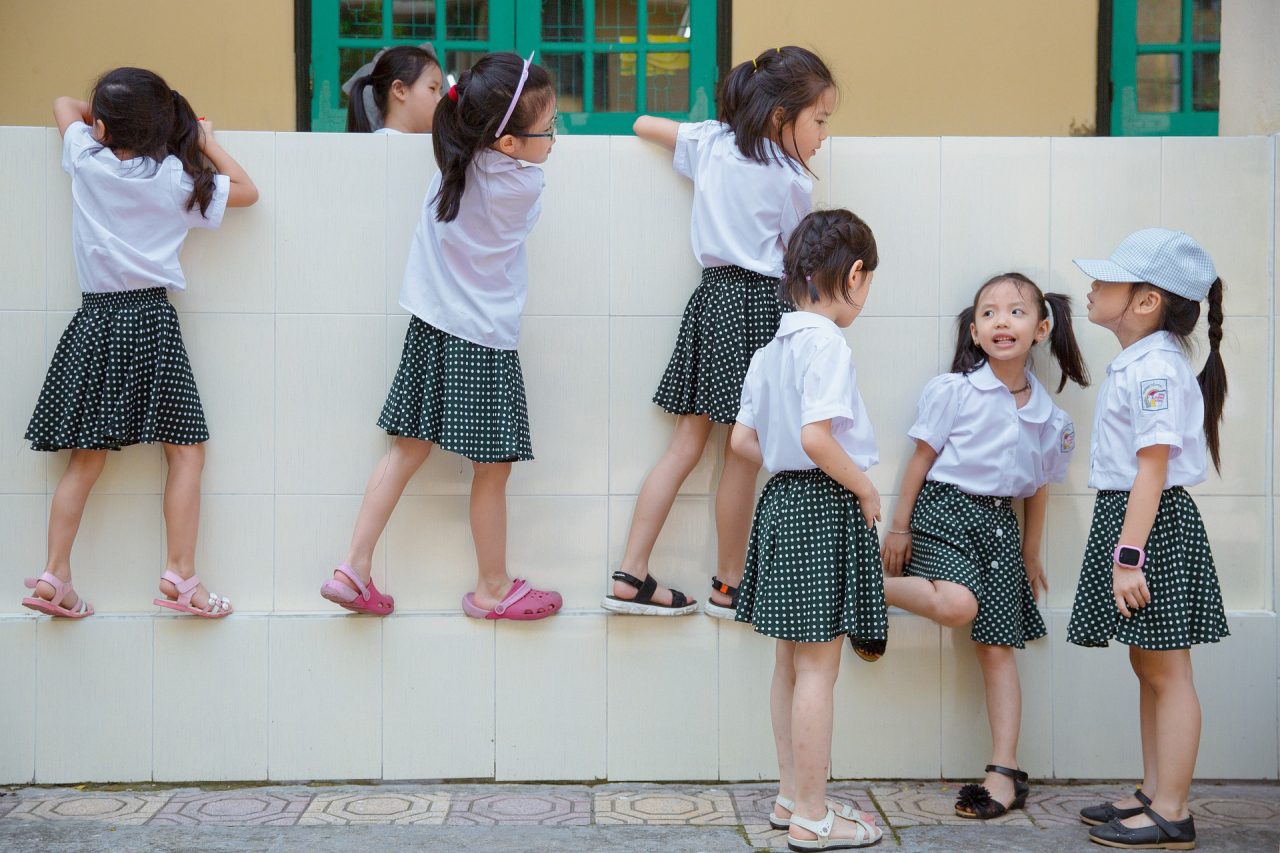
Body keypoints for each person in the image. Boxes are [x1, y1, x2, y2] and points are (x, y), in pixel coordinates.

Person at [321, 52, 563, 621]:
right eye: (548, 128)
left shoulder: (451, 163)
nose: (554, 137)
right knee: (493, 467)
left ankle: (352, 566)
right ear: (507, 143)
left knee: (406, 449)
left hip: (429, 328)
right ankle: (492, 587)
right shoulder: (522, 188)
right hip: (481, 338)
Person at [603, 46, 837, 618]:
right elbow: (797, 259)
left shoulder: (710, 144)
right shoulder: (787, 178)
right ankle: (728, 586)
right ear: (782, 116)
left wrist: (716, 128)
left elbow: (639, 122)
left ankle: (630, 572)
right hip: (758, 307)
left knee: (685, 445)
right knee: (742, 454)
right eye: (820, 121)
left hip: (711, 302)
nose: (824, 136)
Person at [22, 67, 258, 618]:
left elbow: (62, 102)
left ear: (102, 125)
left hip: (98, 320)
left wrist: (107, 126)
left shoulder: (85, 158)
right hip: (151, 321)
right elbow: (247, 192)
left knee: (86, 458)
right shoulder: (177, 178)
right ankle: (181, 574)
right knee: (185, 453)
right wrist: (201, 140)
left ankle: (55, 574)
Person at [880, 273, 1089, 819]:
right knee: (957, 605)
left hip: (1001, 528)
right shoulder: (954, 391)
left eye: (1016, 312)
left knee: (997, 647)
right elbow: (920, 461)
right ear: (974, 331)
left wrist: (1031, 551)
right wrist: (898, 529)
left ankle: (1003, 772)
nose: (1002, 321)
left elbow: (1038, 490)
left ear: (1041, 328)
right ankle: (866, 587)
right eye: (989, 313)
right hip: (945, 511)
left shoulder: (1050, 417)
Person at [1068, 229, 1229, 851]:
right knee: (1148, 664)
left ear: (1146, 301)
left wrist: (1128, 557)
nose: (1093, 286)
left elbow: (1153, 469)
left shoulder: (1157, 368)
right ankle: (1153, 791)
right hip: (1138, 519)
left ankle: (1173, 811)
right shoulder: (1142, 363)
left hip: (1150, 526)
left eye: (1107, 279)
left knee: (1168, 671)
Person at [731, 209, 884, 850]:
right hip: (821, 507)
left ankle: (791, 795)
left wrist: (787, 462)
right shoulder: (826, 344)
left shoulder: (772, 349)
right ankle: (814, 818)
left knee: (789, 666)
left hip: (779, 505)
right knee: (819, 670)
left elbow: (743, 442)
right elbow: (816, 437)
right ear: (852, 276)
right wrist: (867, 487)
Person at [345, 45, 443, 134]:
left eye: (440, 91)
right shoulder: (383, 148)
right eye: (432, 88)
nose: (441, 100)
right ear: (399, 89)